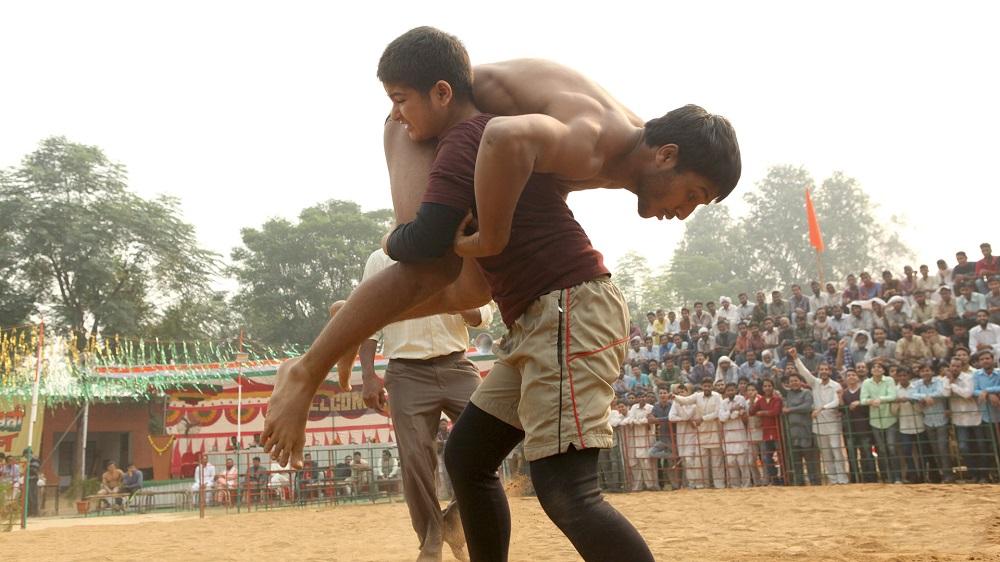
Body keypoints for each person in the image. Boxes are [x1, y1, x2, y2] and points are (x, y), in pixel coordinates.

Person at [359, 248, 490, 561]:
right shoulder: (381, 261)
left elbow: (484, 314)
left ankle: (454, 521)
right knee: (415, 457)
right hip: (405, 371)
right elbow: (367, 320)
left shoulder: (460, 252)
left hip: (457, 363)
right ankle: (431, 539)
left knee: (491, 434)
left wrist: (457, 300)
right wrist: (367, 376)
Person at [788, 348, 848, 484]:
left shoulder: (836, 385)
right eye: (822, 369)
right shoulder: (815, 383)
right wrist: (796, 358)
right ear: (819, 371)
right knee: (826, 454)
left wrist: (822, 408)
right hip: (819, 425)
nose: (824, 372)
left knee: (836, 451)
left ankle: (842, 479)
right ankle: (833, 480)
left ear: (830, 372)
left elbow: (837, 401)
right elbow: (804, 372)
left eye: (826, 369)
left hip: (833, 423)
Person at [674, 378, 725, 489]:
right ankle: (702, 485)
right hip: (701, 433)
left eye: (709, 386)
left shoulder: (717, 396)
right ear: (702, 387)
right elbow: (686, 400)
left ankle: (719, 485)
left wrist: (703, 418)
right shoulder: (697, 396)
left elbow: (718, 412)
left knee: (717, 462)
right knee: (701, 461)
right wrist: (674, 397)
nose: (707, 388)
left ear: (712, 386)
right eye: (705, 386)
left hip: (714, 431)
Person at [909, 362, 954, 483]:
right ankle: (942, 475)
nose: (925, 373)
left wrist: (927, 396)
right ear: (919, 373)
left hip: (941, 420)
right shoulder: (916, 383)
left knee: (943, 448)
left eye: (928, 370)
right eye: (923, 371)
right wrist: (925, 397)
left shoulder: (939, 381)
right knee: (935, 450)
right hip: (928, 420)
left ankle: (948, 475)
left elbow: (943, 392)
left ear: (932, 372)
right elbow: (911, 394)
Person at [945, 355, 985, 482]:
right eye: (952, 366)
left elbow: (967, 394)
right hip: (959, 419)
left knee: (981, 446)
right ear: (949, 367)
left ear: (962, 367)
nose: (955, 368)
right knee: (963, 447)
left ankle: (984, 475)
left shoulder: (969, 378)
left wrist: (953, 386)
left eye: (957, 366)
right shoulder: (946, 379)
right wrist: (950, 382)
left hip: (974, 416)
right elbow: (945, 394)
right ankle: (973, 474)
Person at [861, 362, 901, 483]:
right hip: (875, 420)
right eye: (874, 367)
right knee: (882, 450)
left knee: (892, 447)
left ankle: (897, 477)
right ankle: (887, 477)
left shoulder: (889, 380)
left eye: (879, 367)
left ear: (884, 370)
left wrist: (879, 400)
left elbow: (893, 396)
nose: (876, 369)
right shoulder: (866, 382)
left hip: (889, 418)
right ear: (871, 370)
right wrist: (871, 401)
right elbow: (862, 400)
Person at [782, 373, 822, 485]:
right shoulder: (788, 394)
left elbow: (807, 407)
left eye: (796, 380)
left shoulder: (807, 393)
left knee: (810, 459)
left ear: (801, 381)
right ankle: (799, 482)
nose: (794, 383)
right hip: (793, 432)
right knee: (796, 460)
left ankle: (815, 482)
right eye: (791, 381)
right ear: (788, 384)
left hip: (805, 430)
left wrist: (790, 409)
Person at [891, 366, 926, 483]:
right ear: (897, 377)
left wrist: (912, 401)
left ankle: (924, 475)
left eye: (905, 375)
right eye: (900, 376)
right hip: (904, 426)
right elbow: (893, 412)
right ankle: (913, 476)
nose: (902, 378)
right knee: (907, 451)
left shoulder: (916, 388)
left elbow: (922, 409)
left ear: (909, 376)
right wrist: (898, 403)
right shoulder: (895, 390)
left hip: (919, 423)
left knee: (922, 451)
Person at [750, 379, 784, 485]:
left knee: (781, 457)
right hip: (766, 433)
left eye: (769, 386)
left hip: (777, 431)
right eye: (765, 386)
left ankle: (784, 478)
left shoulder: (777, 399)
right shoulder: (760, 401)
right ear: (763, 388)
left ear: (773, 387)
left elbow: (775, 412)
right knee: (767, 458)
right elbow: (751, 412)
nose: (767, 388)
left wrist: (762, 413)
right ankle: (774, 479)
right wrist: (752, 399)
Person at [668, 384, 702, 489]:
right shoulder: (675, 403)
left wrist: (684, 417)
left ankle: (695, 483)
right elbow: (671, 417)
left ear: (688, 393)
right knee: (684, 461)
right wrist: (684, 420)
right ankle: (689, 483)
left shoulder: (694, 405)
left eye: (683, 392)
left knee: (690, 459)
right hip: (681, 434)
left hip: (692, 434)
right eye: (679, 393)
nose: (681, 394)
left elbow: (689, 416)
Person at [719, 382, 751, 488]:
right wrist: (731, 410)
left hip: (739, 432)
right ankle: (734, 486)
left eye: (732, 390)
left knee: (743, 462)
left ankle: (746, 485)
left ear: (736, 390)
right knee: (731, 462)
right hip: (728, 434)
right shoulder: (723, 403)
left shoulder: (741, 399)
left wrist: (731, 414)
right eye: (728, 390)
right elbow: (722, 418)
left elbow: (743, 413)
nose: (730, 392)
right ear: (725, 392)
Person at [647, 388, 678, 490]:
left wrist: (657, 420)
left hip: (673, 438)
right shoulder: (656, 406)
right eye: (660, 393)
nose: (663, 394)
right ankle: (669, 455)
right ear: (658, 395)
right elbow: (651, 418)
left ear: (668, 394)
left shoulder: (673, 404)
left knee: (671, 465)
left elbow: (671, 418)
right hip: (662, 438)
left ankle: (675, 485)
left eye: (664, 392)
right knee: (651, 453)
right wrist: (652, 418)